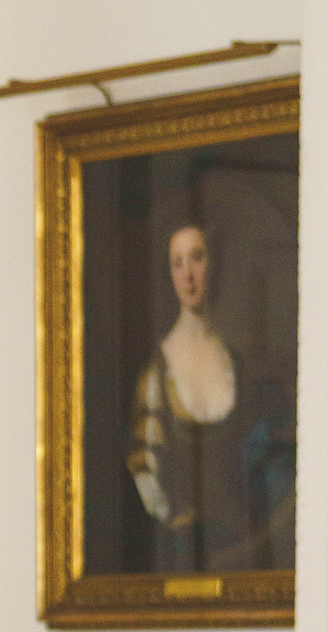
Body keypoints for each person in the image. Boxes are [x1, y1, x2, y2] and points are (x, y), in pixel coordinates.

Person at [125, 220, 294, 575]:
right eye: (178, 263)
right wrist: (176, 521)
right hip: (186, 555)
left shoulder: (234, 362)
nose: (188, 275)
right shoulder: (158, 370)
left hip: (247, 548)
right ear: (169, 275)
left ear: (213, 265)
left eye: (197, 258)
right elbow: (145, 466)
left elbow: (257, 455)